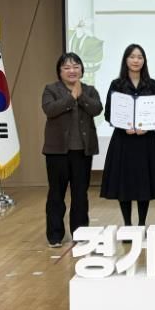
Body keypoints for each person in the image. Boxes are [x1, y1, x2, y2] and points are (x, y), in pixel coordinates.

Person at [100, 44, 155, 226]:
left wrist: (147, 126)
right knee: (125, 184)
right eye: (132, 56)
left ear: (144, 61)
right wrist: (123, 126)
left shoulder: (152, 84)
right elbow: (108, 113)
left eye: (139, 57)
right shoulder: (117, 84)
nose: (136, 60)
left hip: (146, 141)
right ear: (126, 60)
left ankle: (141, 224)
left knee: (144, 183)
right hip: (123, 141)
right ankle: (128, 225)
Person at [42, 52, 102, 248]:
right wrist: (71, 97)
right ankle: (55, 235)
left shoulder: (89, 90)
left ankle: (80, 233)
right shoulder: (51, 89)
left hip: (82, 152)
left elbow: (97, 109)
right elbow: (50, 109)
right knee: (56, 194)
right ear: (59, 72)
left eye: (76, 67)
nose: (72, 71)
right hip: (57, 151)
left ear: (82, 70)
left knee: (80, 195)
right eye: (66, 67)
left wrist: (80, 95)